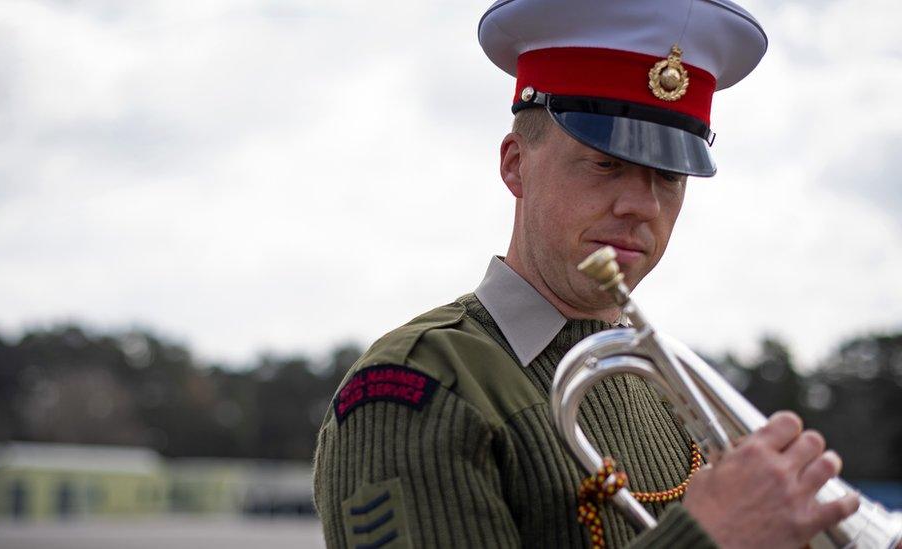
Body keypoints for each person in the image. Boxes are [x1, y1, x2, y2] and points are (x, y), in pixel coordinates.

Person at [313, 0, 861, 547]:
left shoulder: (671, 390)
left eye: (669, 176)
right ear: (515, 164)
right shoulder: (412, 388)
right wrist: (708, 537)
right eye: (605, 163)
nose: (641, 207)